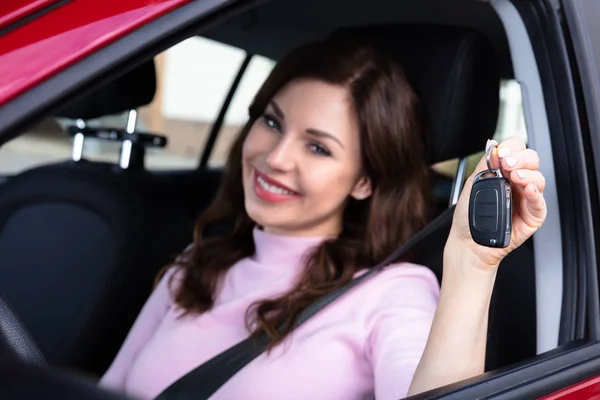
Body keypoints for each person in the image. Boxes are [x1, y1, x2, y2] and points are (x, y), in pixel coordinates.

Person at [98, 33, 547, 400]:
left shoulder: (391, 296)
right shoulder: (199, 262)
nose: (275, 158)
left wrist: (470, 263)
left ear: (364, 181)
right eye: (272, 122)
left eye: (317, 147)